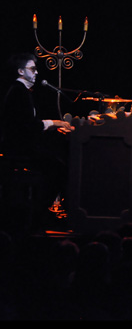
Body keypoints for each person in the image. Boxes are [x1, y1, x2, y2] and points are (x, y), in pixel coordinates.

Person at [0, 53, 74, 222]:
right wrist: (55, 123)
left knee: (56, 161)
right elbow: (29, 125)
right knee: (59, 168)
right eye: (32, 69)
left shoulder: (22, 91)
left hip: (22, 146)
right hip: (17, 149)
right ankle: (41, 212)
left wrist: (53, 125)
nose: (36, 73)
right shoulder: (18, 92)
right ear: (20, 71)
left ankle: (44, 209)